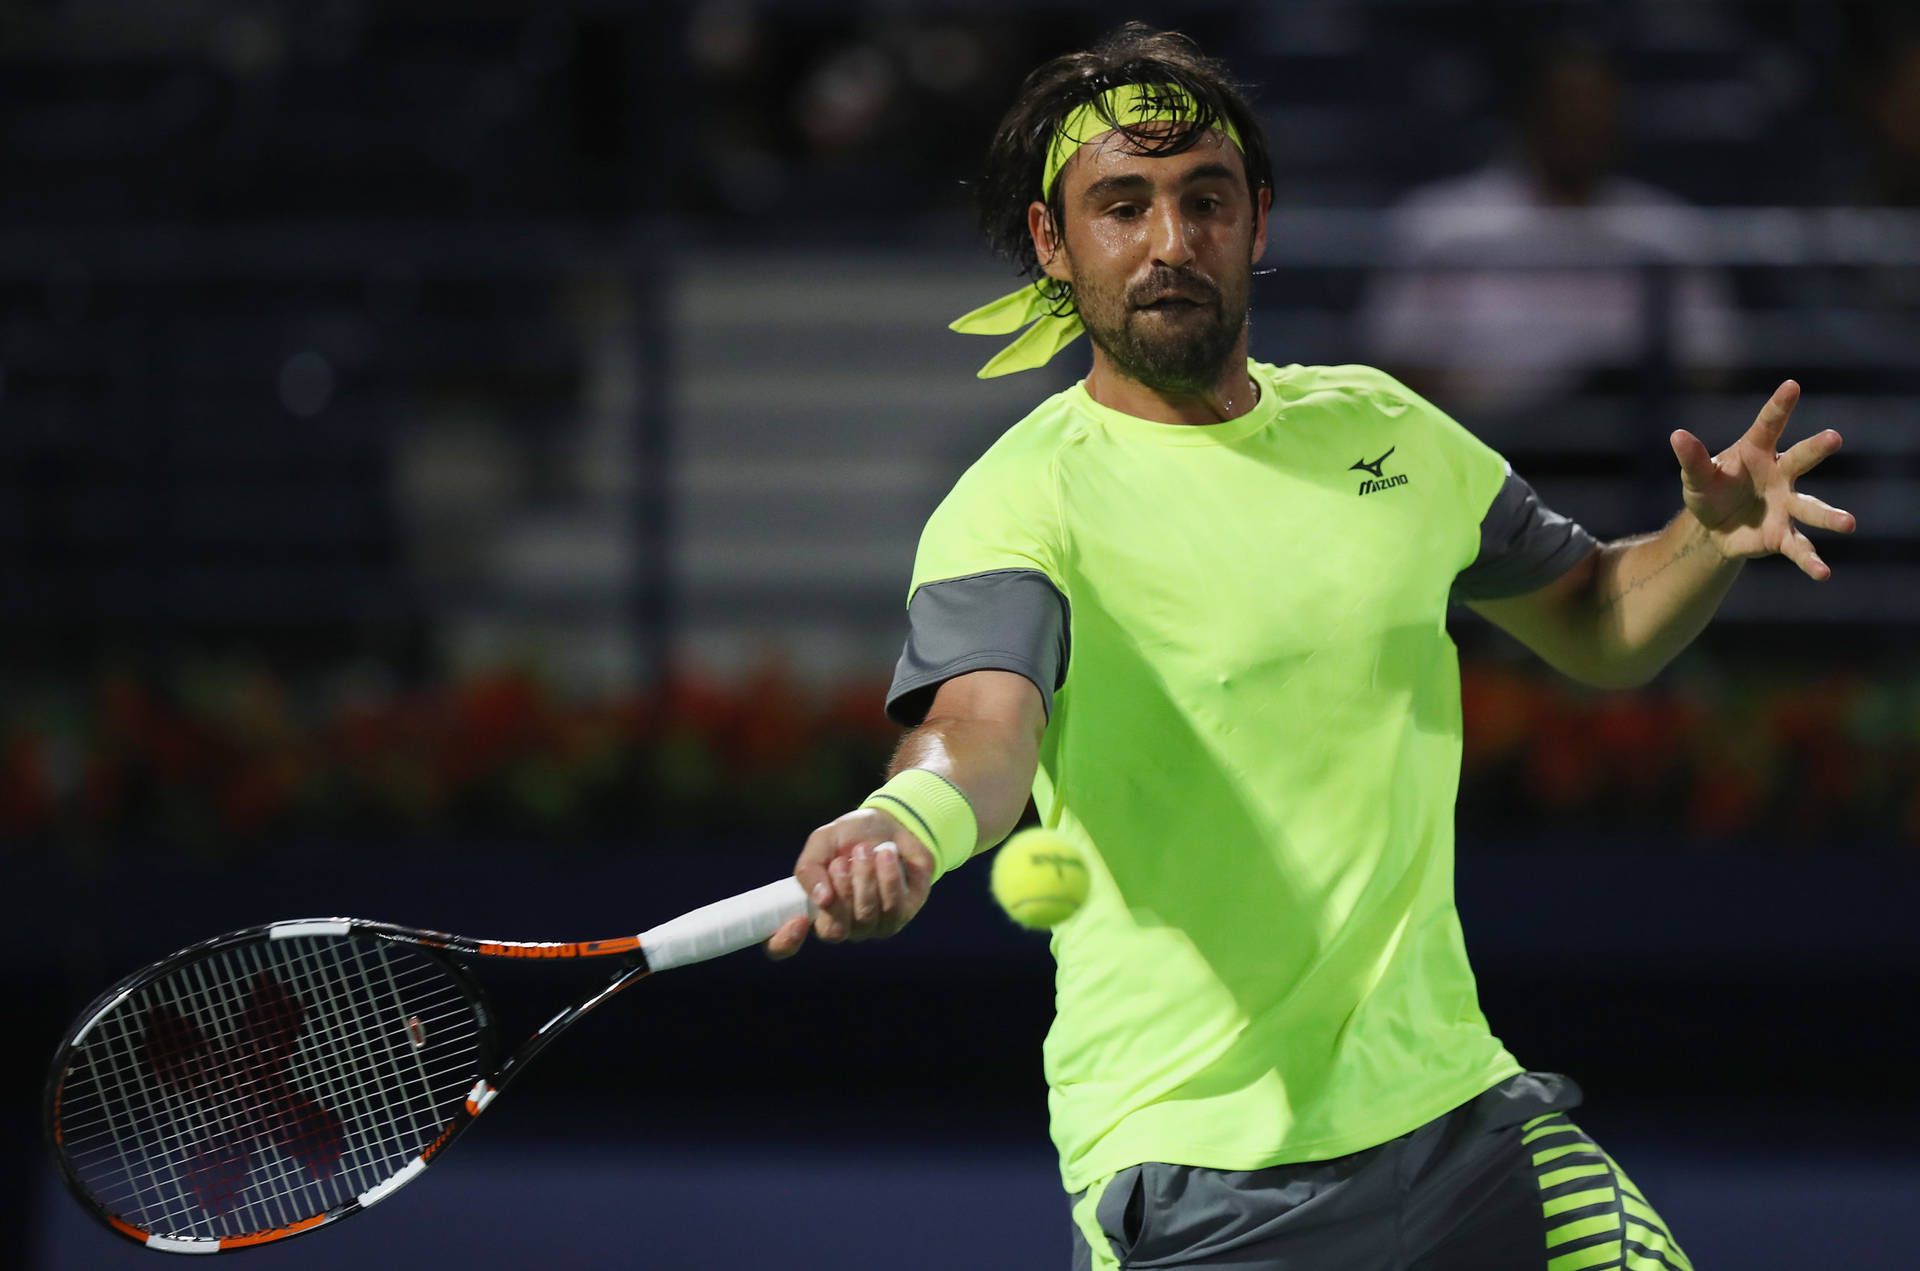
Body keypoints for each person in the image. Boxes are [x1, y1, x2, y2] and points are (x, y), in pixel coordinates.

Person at [765, 23, 1853, 1271]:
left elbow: (1598, 620)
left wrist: (1704, 540)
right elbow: (977, 735)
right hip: (1199, 1172)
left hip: (1464, 1120)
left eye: (1204, 201)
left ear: (1259, 222)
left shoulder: (1385, 426)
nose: (1171, 243)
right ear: (1054, 244)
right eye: (1122, 207)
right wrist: (905, 826)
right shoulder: (1019, 505)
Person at [1359, 42, 1739, 417]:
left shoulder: (1665, 232)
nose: (1581, 120)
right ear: (1530, 112)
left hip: (1632, 455)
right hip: (1484, 444)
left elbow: (1709, 362)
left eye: (1596, 106)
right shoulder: (1441, 225)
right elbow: (1396, 358)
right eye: (1567, 104)